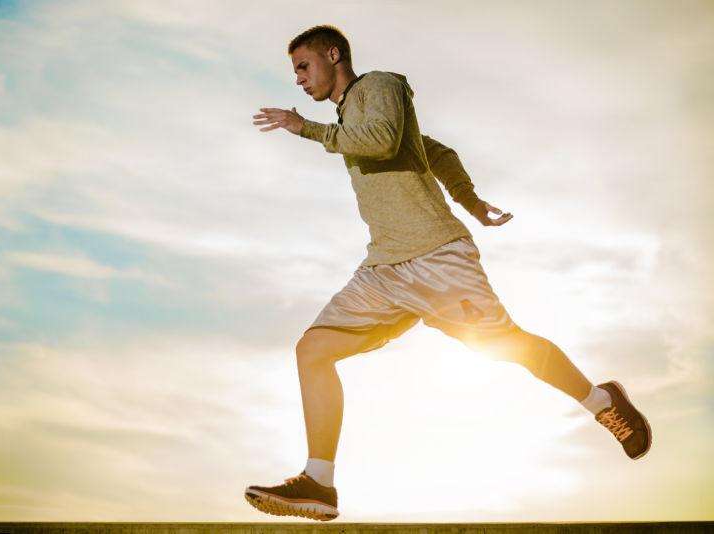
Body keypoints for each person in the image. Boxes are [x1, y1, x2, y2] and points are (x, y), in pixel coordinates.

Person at [245, 24, 651, 522]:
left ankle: (602, 400)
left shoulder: (382, 87)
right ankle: (320, 481)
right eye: (295, 72)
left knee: (508, 345)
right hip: (385, 267)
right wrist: (473, 201)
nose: (299, 80)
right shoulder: (351, 112)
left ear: (334, 55)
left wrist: (304, 126)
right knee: (312, 350)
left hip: (438, 256)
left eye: (304, 66)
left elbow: (381, 141)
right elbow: (435, 152)